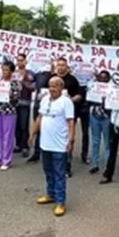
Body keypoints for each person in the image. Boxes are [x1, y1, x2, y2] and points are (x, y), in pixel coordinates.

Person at [30, 76, 75, 217]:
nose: (52, 88)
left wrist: (71, 140)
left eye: (55, 86)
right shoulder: (44, 99)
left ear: (61, 87)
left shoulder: (66, 102)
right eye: (50, 85)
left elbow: (71, 122)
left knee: (59, 174)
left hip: (60, 145)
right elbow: (39, 118)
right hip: (45, 143)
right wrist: (32, 134)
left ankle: (60, 202)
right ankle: (50, 194)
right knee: (48, 170)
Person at [53, 58, 83, 177]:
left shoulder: (72, 80)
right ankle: (55, 165)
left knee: (68, 139)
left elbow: (79, 96)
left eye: (63, 65)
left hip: (68, 115)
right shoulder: (52, 79)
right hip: (54, 115)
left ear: (67, 67)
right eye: (59, 65)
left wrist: (69, 100)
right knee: (55, 139)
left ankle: (67, 166)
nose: (61, 67)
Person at [0, 61, 22, 170]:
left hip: (9, 111)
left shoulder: (15, 83)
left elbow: (16, 100)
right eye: (3, 69)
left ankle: (6, 160)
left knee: (8, 136)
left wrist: (9, 94)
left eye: (6, 70)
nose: (4, 72)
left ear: (11, 71)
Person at [28, 61, 55, 163]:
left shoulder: (56, 76)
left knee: (50, 129)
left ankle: (49, 153)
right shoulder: (38, 75)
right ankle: (36, 153)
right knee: (38, 128)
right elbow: (30, 80)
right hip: (39, 105)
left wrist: (52, 71)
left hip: (52, 107)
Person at [87, 70, 112, 174]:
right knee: (95, 141)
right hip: (94, 115)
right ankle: (95, 164)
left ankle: (108, 165)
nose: (102, 79)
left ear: (108, 79)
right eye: (100, 77)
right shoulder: (93, 87)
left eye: (105, 78)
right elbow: (89, 99)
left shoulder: (112, 90)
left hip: (106, 117)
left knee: (107, 142)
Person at [14, 53, 36, 158]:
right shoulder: (13, 73)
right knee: (16, 125)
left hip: (25, 102)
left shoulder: (30, 73)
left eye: (21, 60)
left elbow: (34, 87)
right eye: (18, 60)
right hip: (13, 102)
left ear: (25, 61)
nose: (20, 62)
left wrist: (25, 82)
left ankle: (25, 147)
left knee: (24, 125)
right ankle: (18, 144)